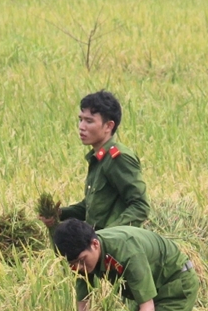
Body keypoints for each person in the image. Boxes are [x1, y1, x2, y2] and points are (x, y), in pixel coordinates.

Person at [53, 218, 199, 311]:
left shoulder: (127, 251)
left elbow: (148, 310)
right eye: (72, 264)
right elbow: (83, 300)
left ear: (95, 244)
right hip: (152, 284)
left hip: (175, 283)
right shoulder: (81, 260)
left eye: (82, 260)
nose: (79, 268)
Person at [39, 90, 150, 231]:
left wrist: (109, 236)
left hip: (114, 246)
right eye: (81, 119)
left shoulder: (118, 157)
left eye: (89, 121)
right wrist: (58, 214)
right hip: (98, 245)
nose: (81, 127)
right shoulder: (98, 158)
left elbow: (140, 206)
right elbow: (92, 207)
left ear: (108, 126)